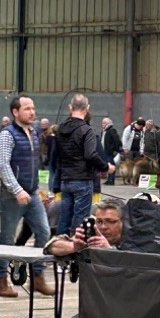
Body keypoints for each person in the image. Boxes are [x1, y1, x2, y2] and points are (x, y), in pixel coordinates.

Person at [0, 96, 54, 299]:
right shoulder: (6, 135)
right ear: (15, 112)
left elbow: (34, 165)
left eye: (33, 108)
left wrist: (38, 190)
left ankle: (37, 277)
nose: (32, 112)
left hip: (32, 194)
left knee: (44, 232)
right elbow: (3, 165)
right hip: (11, 197)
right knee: (7, 238)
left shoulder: (34, 132)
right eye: (27, 108)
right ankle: (1, 281)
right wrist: (17, 190)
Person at [45, 197, 127, 318]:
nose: (103, 227)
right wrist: (74, 247)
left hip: (129, 309)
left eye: (110, 221)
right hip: (99, 310)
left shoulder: (134, 242)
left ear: (124, 222)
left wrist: (109, 252)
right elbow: (51, 246)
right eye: (99, 221)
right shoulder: (91, 238)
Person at [54, 94, 112, 235]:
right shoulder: (87, 130)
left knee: (64, 219)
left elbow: (56, 156)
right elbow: (90, 154)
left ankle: (60, 245)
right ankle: (77, 247)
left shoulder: (60, 129)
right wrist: (105, 167)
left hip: (65, 180)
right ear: (87, 108)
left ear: (70, 107)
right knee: (81, 220)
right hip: (82, 180)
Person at [100, 118, 121, 184]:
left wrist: (114, 149)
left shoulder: (112, 130)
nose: (102, 124)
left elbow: (117, 141)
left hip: (110, 152)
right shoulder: (104, 131)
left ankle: (111, 180)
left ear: (108, 124)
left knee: (111, 165)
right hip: (104, 151)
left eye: (104, 123)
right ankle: (109, 179)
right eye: (102, 123)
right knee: (108, 165)